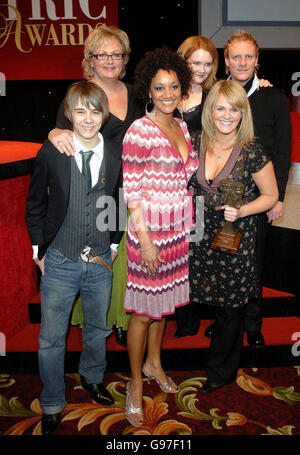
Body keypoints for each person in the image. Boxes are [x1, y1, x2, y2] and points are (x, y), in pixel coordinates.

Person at [25, 80, 124, 435]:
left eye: (94, 111)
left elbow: (120, 201)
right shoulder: (53, 151)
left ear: (104, 114)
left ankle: (93, 378)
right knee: (52, 338)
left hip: (100, 262)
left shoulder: (114, 152)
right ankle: (52, 400)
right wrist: (39, 249)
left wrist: (113, 246)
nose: (87, 119)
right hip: (60, 260)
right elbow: (35, 202)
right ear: (69, 113)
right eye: (80, 111)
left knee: (98, 329)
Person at [48, 24, 143, 347]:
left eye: (116, 54)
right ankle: (97, 320)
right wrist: (53, 133)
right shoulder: (81, 92)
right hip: (92, 192)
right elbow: (61, 133)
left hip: (128, 186)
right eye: (103, 54)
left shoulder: (136, 91)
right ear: (91, 58)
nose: (110, 60)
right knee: (98, 258)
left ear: (124, 58)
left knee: (122, 258)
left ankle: (118, 319)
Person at [122, 48, 199, 427]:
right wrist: (147, 240)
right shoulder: (140, 130)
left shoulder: (182, 126)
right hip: (148, 233)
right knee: (142, 311)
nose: (167, 93)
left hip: (177, 231)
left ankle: (155, 363)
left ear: (182, 88)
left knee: (163, 305)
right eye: (159, 87)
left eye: (173, 86)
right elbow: (132, 192)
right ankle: (134, 383)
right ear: (148, 91)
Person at [189, 79, 278, 393]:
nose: (227, 115)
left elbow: (270, 195)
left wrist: (241, 211)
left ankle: (220, 371)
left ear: (244, 113)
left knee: (230, 306)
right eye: (220, 108)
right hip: (197, 238)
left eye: (234, 109)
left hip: (234, 237)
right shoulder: (194, 141)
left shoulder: (251, 149)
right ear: (210, 110)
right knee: (203, 298)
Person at [205, 30, 291, 347]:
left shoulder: (273, 97)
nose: (242, 62)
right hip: (220, 194)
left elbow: (283, 152)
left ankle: (252, 324)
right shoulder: (214, 94)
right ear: (226, 60)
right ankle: (224, 319)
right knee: (221, 257)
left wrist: (276, 198)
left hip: (259, 196)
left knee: (253, 262)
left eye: (248, 56)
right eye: (236, 56)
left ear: (257, 60)